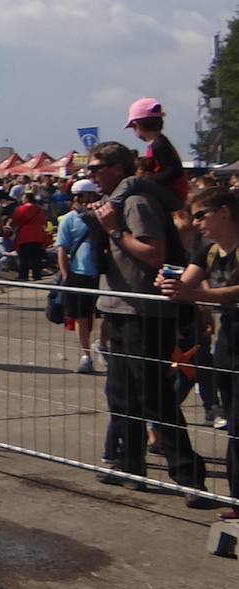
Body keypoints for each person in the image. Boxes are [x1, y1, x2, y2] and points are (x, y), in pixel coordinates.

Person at [86, 141, 206, 499]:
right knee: (122, 395)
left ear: (118, 168)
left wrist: (113, 231)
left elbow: (156, 253)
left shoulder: (136, 202)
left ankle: (189, 475)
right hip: (121, 309)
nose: (91, 174)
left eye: (97, 168)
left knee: (153, 396)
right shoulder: (115, 202)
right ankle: (130, 464)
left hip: (146, 312)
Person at [158, 187, 239, 515]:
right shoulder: (207, 251)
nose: (196, 222)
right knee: (235, 426)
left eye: (201, 215)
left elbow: (229, 291)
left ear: (224, 211)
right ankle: (236, 500)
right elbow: (185, 284)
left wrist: (197, 294)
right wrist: (168, 284)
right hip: (229, 344)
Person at [57, 179, 105, 373]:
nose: (77, 199)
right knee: (81, 317)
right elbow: (62, 248)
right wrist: (66, 275)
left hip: (104, 272)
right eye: (74, 195)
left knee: (110, 314)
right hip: (79, 274)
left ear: (93, 196)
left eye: (81, 195)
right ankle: (86, 355)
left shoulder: (103, 216)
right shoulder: (68, 219)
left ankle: (102, 343)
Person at [11, 192, 51, 281]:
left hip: (24, 235)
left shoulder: (20, 209)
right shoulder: (39, 209)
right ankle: (37, 274)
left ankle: (23, 275)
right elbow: (43, 221)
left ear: (27, 199)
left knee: (24, 257)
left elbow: (15, 220)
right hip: (38, 234)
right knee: (36, 256)